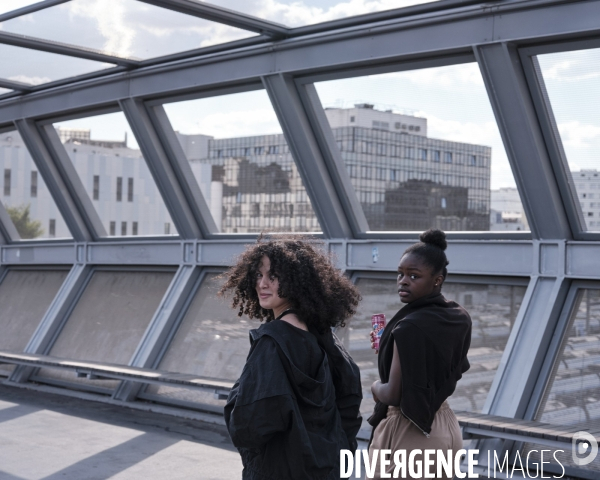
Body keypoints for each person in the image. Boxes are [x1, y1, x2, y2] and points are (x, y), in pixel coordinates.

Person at [220, 235, 363, 480]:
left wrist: (238, 393)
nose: (262, 284)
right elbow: (350, 401)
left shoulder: (272, 342)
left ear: (296, 281)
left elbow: (248, 426)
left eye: (273, 276)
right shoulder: (324, 337)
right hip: (327, 468)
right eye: (258, 274)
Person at [367, 229, 472, 479]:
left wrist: (374, 386)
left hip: (410, 430)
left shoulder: (410, 327)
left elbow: (392, 393)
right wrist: (390, 347)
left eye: (414, 276)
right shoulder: (457, 316)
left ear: (437, 280)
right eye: (400, 274)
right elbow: (433, 364)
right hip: (445, 424)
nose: (403, 281)